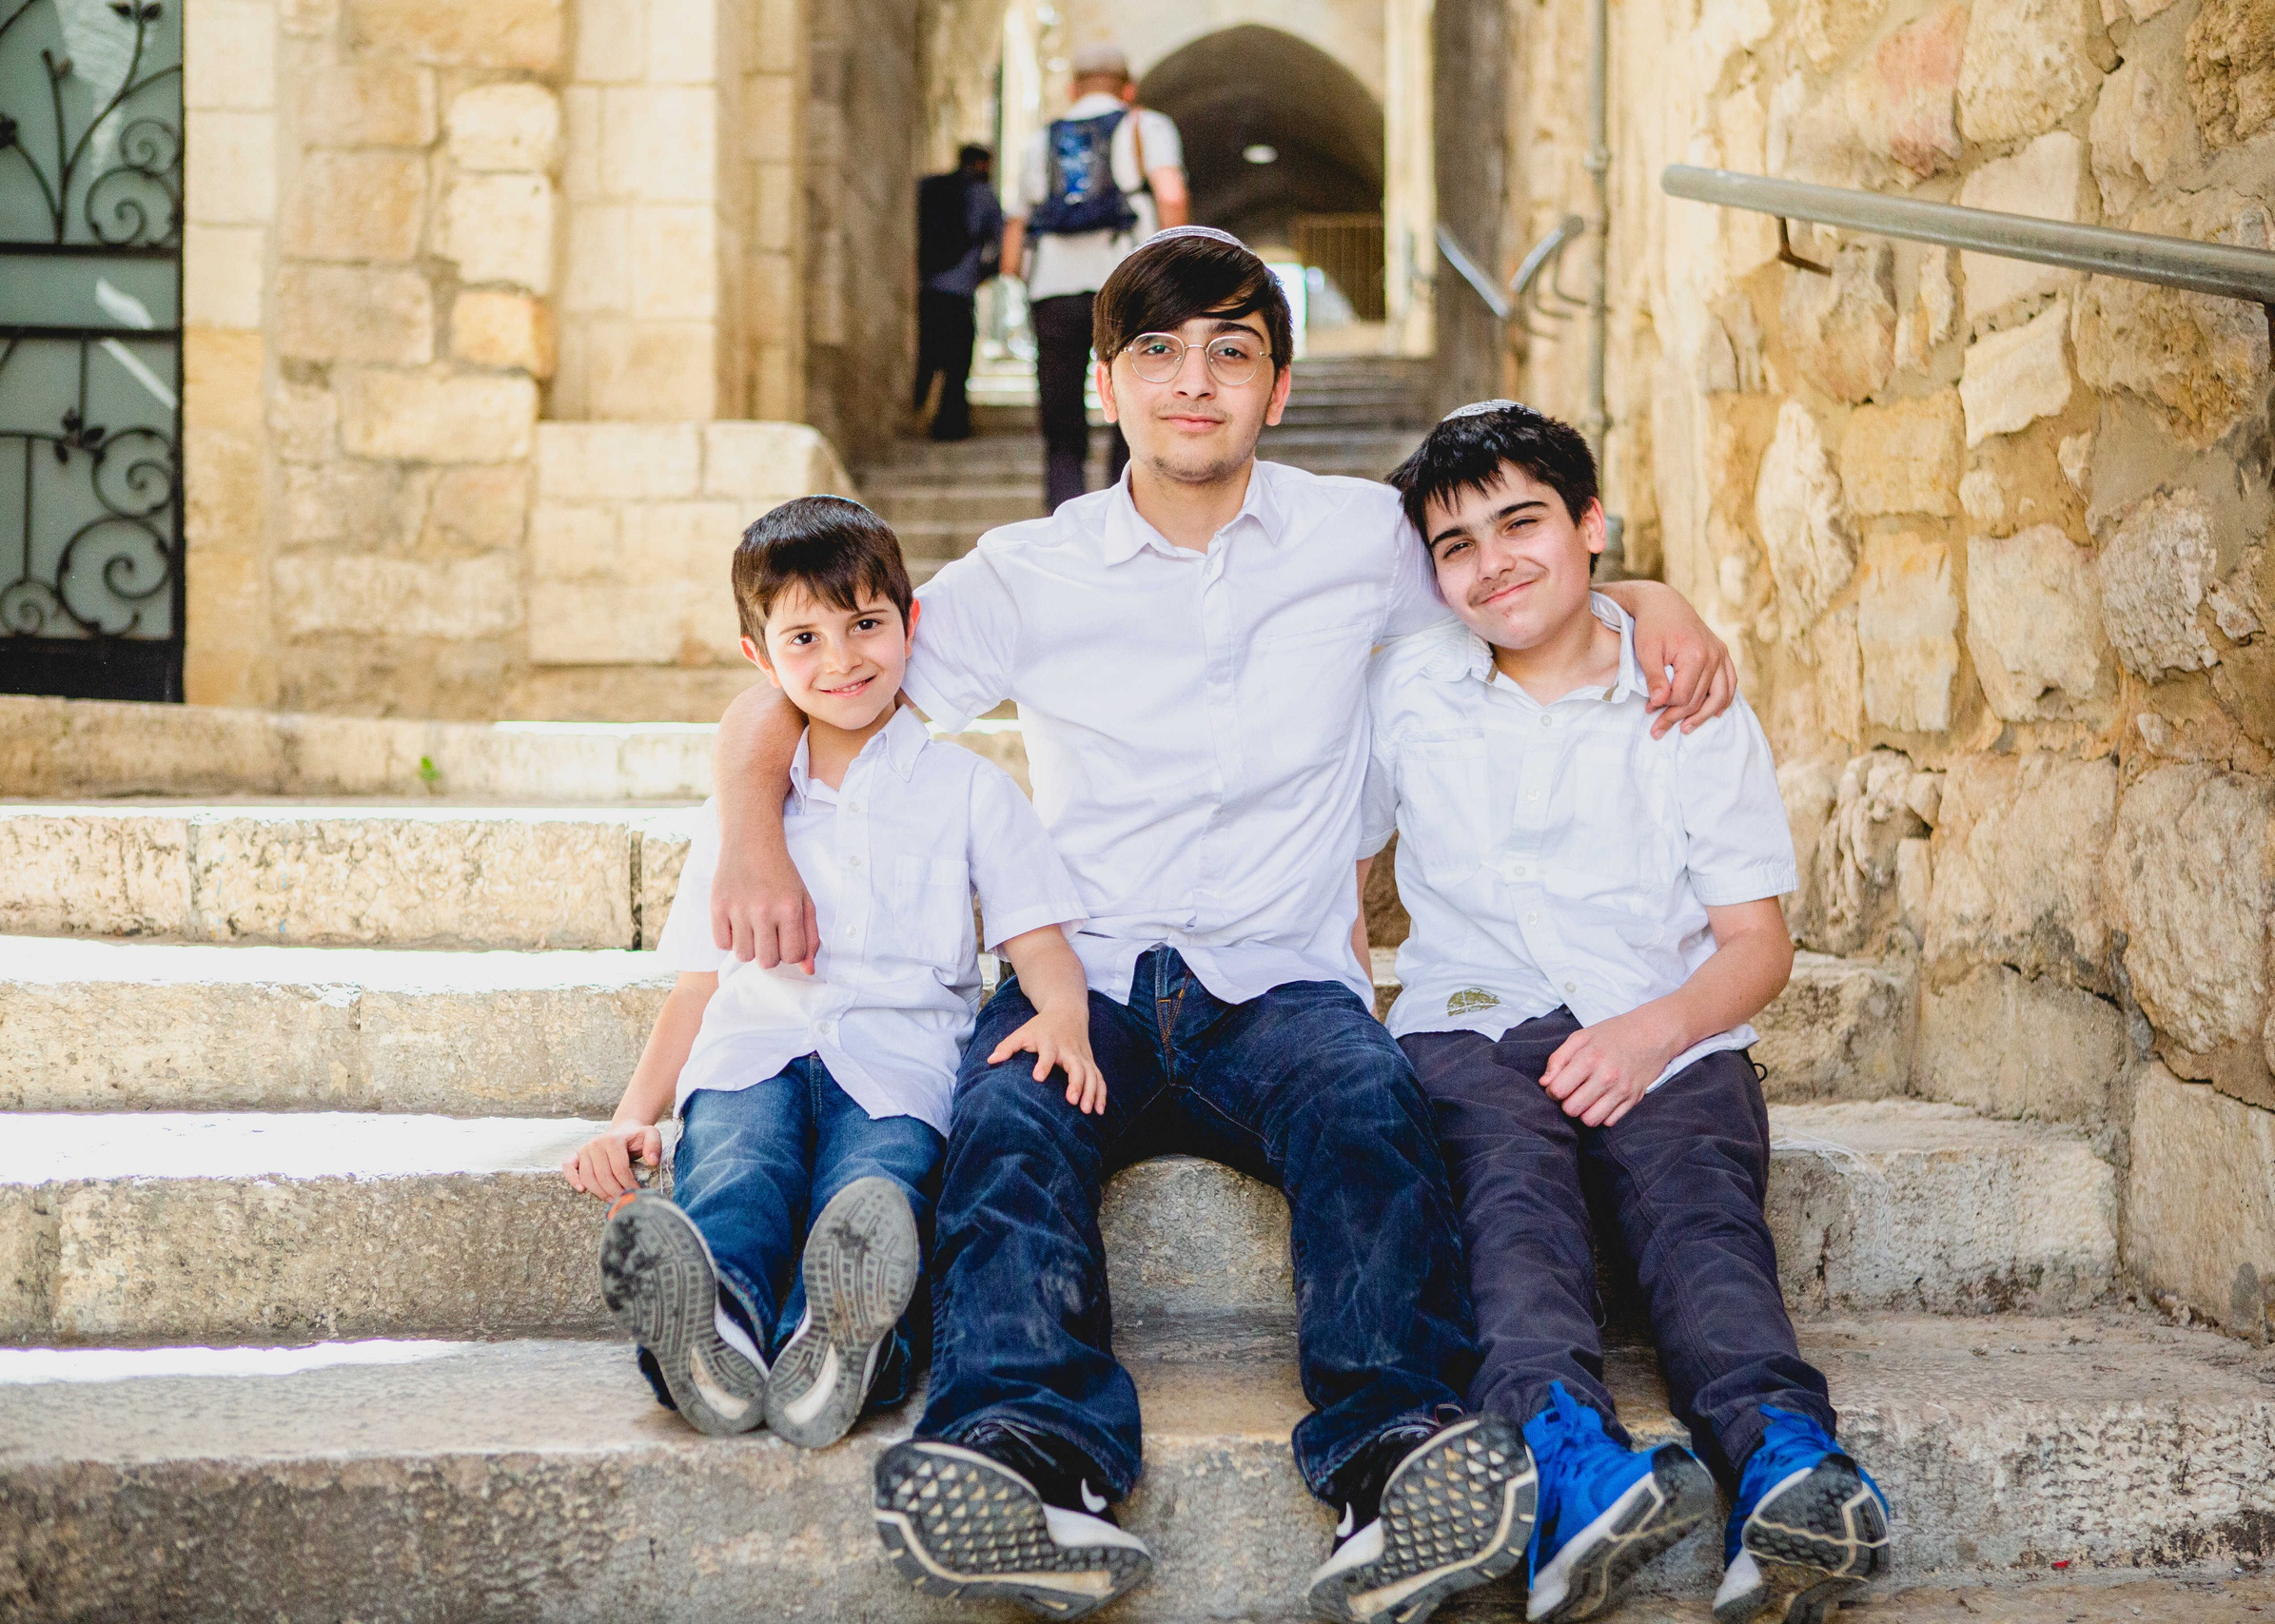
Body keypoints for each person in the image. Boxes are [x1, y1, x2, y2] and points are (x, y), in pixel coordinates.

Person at [702, 228, 1746, 1622]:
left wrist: (1645, 598)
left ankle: (1394, 1454)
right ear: (1109, 378)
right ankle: (1022, 1450)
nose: (1194, 381)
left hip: (1282, 980)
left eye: (1230, 352)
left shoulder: (1358, 540)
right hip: (1090, 973)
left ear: (1279, 383)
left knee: (1374, 1110)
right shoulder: (1032, 569)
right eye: (1159, 352)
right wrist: (755, 829)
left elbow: (1514, 584)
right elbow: (811, 675)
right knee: (1008, 1126)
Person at [1364, 402, 1892, 1624]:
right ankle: (1566, 1461)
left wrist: (1651, 1033)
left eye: (1522, 523)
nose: (1493, 562)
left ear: (1588, 524)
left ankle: (1787, 1467)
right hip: (1472, 1020)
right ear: (1431, 574)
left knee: (1702, 1229)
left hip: (1669, 1019)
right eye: (1456, 546)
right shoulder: (1408, 690)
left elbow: (1758, 945)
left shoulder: (1687, 701)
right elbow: (1338, 884)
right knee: (1508, 1213)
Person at [560, 496, 1100, 1455]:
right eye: (804, 637)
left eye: (865, 625)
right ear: (758, 660)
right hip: (752, 1054)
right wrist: (632, 1115)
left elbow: (1038, 937)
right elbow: (696, 986)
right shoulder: (742, 816)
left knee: (877, 1196)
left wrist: (1061, 1012)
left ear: (908, 624)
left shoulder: (968, 789)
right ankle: (708, 1342)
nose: (843, 659)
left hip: (900, 1071)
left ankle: (838, 1345)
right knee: (734, 1180)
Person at [1003, 43, 1187, 509]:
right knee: (1134, 408)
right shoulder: (1146, 125)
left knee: (1062, 422)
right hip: (1128, 287)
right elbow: (1170, 194)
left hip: (1053, 290)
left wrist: (1018, 279)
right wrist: (1177, 265)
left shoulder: (1041, 139)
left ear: (1072, 89)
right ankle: (1123, 509)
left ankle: (1065, 517)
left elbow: (1016, 228)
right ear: (1128, 88)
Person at [916, 145, 1004, 441]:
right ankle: (950, 424)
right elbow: (999, 243)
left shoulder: (929, 187)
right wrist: (983, 274)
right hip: (959, 291)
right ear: (982, 164)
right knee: (957, 363)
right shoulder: (984, 195)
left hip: (927, 289)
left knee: (928, 356)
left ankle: (915, 415)